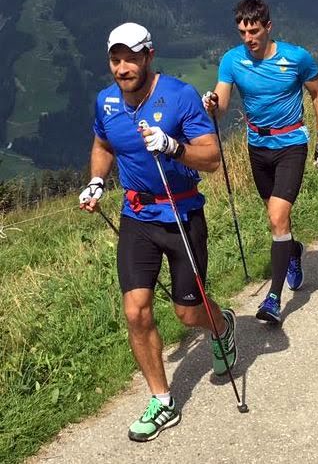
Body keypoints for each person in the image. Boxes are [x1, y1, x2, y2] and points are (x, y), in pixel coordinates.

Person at [79, 22, 237, 443]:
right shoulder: (106, 102)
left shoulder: (180, 96)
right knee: (136, 311)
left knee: (187, 313)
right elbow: (103, 145)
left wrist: (173, 146)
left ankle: (220, 327)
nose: (122, 67)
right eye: (115, 58)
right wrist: (97, 181)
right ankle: (162, 400)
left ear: (149, 55)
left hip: (182, 214)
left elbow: (212, 157)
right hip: (137, 218)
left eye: (131, 57)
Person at [203, 0, 318, 325]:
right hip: (257, 146)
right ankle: (293, 251)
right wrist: (212, 105)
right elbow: (221, 107)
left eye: (254, 30)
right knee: (277, 221)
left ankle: (273, 298)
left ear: (268, 27)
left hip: (291, 143)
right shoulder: (232, 61)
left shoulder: (296, 57)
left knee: (277, 218)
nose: (249, 38)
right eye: (243, 31)